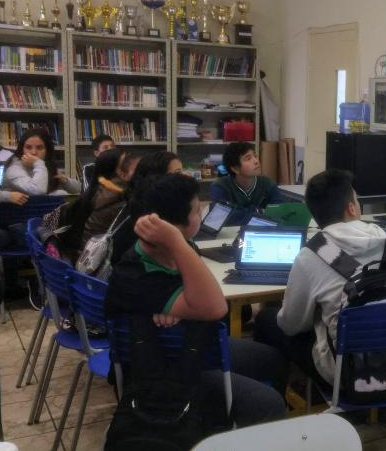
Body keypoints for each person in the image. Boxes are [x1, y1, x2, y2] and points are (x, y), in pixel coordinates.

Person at [105, 173, 286, 428]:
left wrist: (185, 302)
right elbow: (216, 307)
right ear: (175, 228)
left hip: (191, 346)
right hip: (165, 372)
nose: (201, 213)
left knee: (272, 359)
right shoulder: (137, 273)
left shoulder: (177, 247)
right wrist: (177, 242)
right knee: (269, 403)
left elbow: (202, 302)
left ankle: (244, 430)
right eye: (196, 210)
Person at [253, 169, 386, 391]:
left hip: (348, 377)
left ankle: (279, 397)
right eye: (357, 201)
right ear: (351, 208)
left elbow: (292, 325)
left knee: (266, 319)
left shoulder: (311, 254)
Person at [109, 151, 184, 266]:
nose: (184, 178)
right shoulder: (149, 215)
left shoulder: (144, 203)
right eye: (177, 173)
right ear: (158, 178)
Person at [209, 142, 283, 225]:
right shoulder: (220, 186)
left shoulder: (268, 183)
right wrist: (259, 211)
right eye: (248, 159)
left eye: (255, 156)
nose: (256, 161)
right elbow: (219, 217)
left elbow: (280, 213)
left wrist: (240, 213)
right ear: (235, 169)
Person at [80, 149, 138, 251]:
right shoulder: (115, 198)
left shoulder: (104, 190)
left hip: (92, 251)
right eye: (125, 163)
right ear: (120, 172)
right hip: (99, 257)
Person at [3, 128, 80, 195]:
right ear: (22, 149)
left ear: (47, 151)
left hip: (40, 209)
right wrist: (38, 163)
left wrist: (65, 181)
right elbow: (37, 191)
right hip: (18, 211)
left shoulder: (45, 165)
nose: (33, 152)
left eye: (39, 148)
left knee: (62, 194)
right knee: (59, 194)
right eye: (28, 147)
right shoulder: (13, 169)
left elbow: (79, 189)